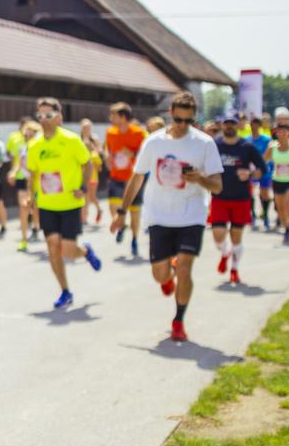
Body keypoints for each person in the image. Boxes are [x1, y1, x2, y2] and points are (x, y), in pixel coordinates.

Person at [110, 91, 223, 341]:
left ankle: (179, 320)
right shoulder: (154, 142)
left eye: (189, 121)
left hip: (191, 215)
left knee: (185, 268)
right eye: (179, 120)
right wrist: (122, 212)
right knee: (159, 276)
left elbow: (217, 186)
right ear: (170, 114)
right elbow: (137, 177)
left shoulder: (204, 143)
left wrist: (200, 179)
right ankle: (167, 274)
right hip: (159, 215)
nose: (183, 126)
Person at [26, 97, 102, 309]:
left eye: (48, 115)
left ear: (58, 116)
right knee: (52, 246)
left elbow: (87, 165)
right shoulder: (34, 145)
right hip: (48, 205)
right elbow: (33, 174)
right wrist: (31, 197)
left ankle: (85, 251)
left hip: (70, 203)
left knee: (68, 250)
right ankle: (65, 291)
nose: (43, 119)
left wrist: (84, 187)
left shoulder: (71, 140)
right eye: (40, 115)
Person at [209, 113, 266, 284]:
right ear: (222, 125)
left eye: (232, 123)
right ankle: (225, 252)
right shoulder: (214, 145)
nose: (229, 126)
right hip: (219, 196)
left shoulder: (246, 146)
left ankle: (234, 268)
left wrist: (249, 174)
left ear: (238, 125)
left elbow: (262, 169)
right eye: (226, 123)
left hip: (241, 198)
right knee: (218, 236)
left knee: (236, 236)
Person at [104, 102, 146, 256]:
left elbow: (145, 155)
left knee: (134, 211)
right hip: (116, 175)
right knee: (112, 204)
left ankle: (134, 239)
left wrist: (132, 154)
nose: (110, 118)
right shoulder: (110, 132)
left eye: (113, 115)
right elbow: (107, 148)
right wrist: (107, 156)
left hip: (133, 179)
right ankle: (121, 224)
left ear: (122, 117)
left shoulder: (139, 133)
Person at [5, 116, 38, 251]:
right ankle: (24, 239)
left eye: (31, 133)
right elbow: (19, 164)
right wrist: (12, 172)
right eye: (26, 133)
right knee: (23, 209)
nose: (28, 135)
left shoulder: (40, 149)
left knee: (36, 209)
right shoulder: (23, 149)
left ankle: (36, 226)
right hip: (22, 180)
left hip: (37, 183)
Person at [266, 123, 289, 242]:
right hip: (277, 180)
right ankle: (286, 229)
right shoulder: (272, 147)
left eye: (284, 132)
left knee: (288, 204)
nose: (281, 134)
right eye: (279, 132)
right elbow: (263, 160)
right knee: (280, 208)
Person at [247, 116, 274, 230]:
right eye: (253, 124)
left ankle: (265, 216)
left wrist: (264, 165)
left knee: (264, 194)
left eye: (257, 124)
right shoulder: (246, 140)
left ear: (260, 125)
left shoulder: (266, 139)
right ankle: (252, 214)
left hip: (264, 170)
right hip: (250, 171)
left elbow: (270, 155)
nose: (255, 126)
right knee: (249, 193)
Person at [79, 118, 105, 224]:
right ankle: (84, 218)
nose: (87, 129)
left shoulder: (94, 138)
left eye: (88, 127)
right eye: (85, 127)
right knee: (85, 196)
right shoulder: (78, 138)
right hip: (81, 173)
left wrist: (92, 149)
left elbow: (100, 152)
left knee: (91, 196)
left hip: (93, 174)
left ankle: (98, 209)